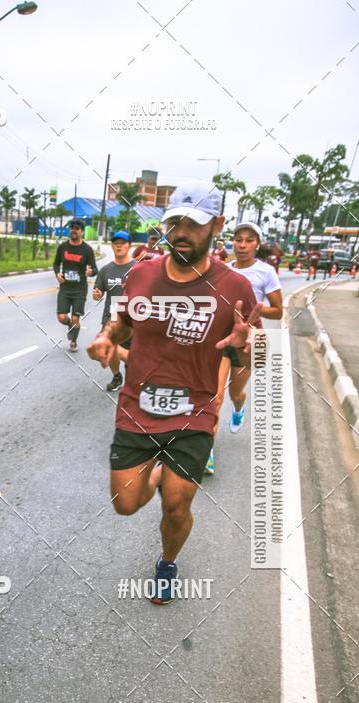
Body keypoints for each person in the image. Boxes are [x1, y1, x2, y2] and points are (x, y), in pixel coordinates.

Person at [87, 182, 259, 605]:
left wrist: (243, 350)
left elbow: (245, 359)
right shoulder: (142, 273)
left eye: (193, 224)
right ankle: (159, 470)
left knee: (177, 506)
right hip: (136, 407)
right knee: (125, 504)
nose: (181, 232)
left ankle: (167, 562)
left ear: (216, 225)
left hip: (194, 411)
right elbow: (125, 322)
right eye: (174, 222)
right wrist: (108, 335)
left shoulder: (235, 288)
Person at [212, 222, 283, 451]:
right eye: (238, 239)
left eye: (249, 240)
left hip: (251, 340)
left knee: (234, 393)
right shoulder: (222, 268)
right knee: (215, 398)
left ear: (257, 244)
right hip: (223, 336)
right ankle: (206, 451)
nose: (242, 245)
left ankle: (239, 407)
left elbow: (278, 310)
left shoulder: (266, 271)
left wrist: (256, 309)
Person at [92, 231, 136, 391]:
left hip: (132, 317)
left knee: (131, 353)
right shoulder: (106, 270)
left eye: (122, 243)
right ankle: (117, 376)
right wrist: (96, 294)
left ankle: (131, 374)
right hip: (110, 316)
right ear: (112, 246)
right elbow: (98, 292)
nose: (119, 245)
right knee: (110, 347)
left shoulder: (138, 268)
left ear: (129, 246)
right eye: (116, 243)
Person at [53, 218, 97, 352]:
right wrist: (57, 274)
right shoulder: (63, 247)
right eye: (72, 227)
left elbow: (95, 270)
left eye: (77, 228)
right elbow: (56, 264)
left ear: (82, 232)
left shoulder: (87, 250)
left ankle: (73, 341)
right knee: (61, 317)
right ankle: (70, 325)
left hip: (79, 290)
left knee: (76, 318)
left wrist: (90, 272)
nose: (74, 230)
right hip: (65, 289)